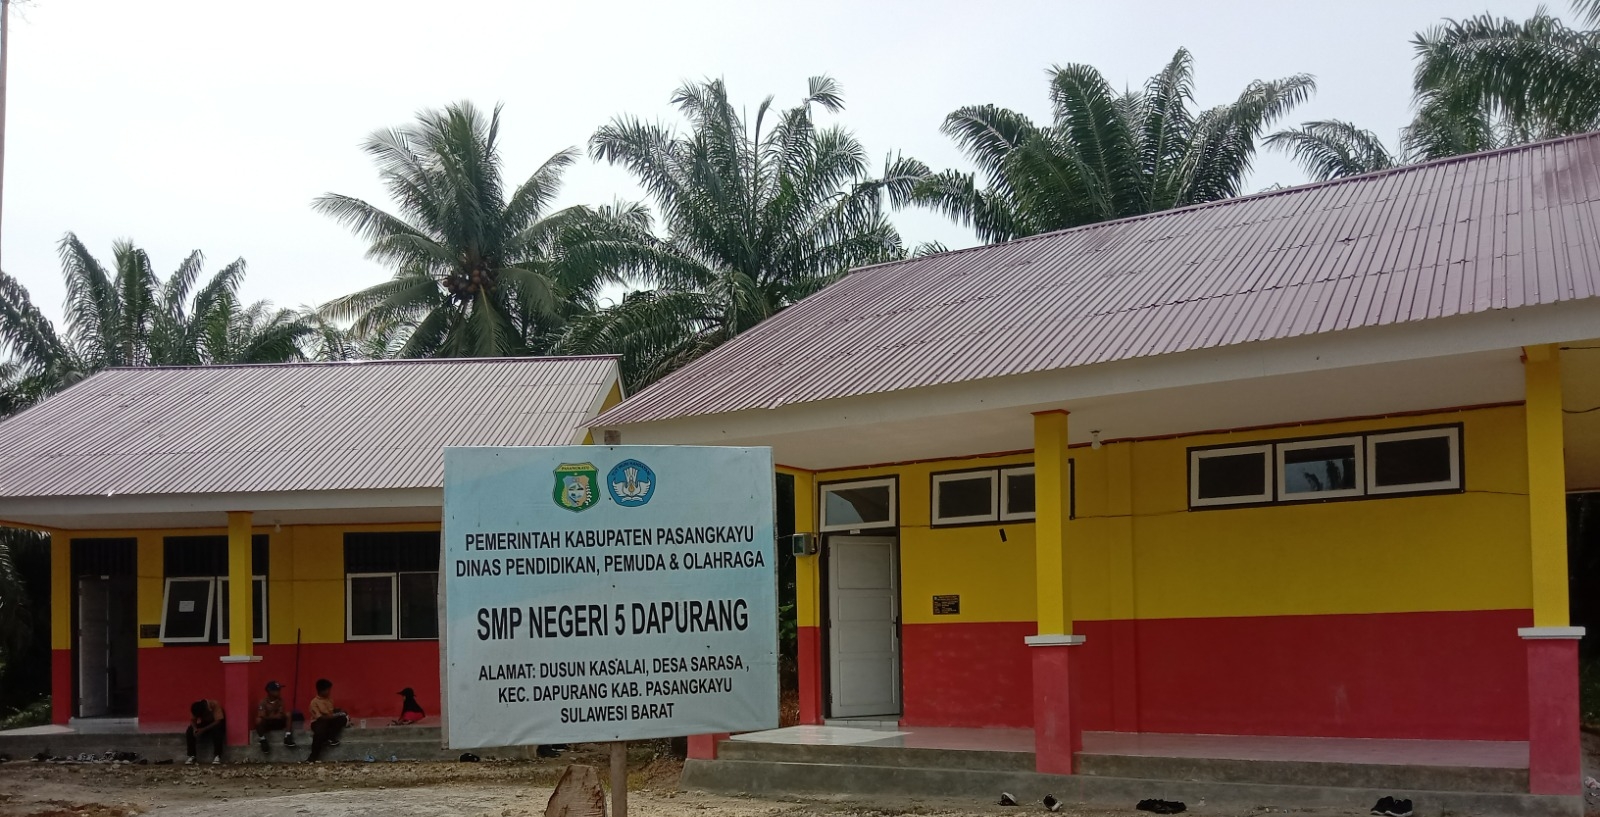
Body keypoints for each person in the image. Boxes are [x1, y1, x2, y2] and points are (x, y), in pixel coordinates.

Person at [306, 678, 347, 762]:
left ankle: (330, 737)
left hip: (329, 720)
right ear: (321, 691)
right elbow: (320, 717)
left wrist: (339, 711)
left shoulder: (329, 699)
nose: (329, 692)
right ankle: (313, 756)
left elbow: (330, 711)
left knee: (342, 719)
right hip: (318, 722)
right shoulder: (314, 702)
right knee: (319, 732)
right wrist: (335, 715)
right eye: (327, 690)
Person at [255, 680, 295, 753]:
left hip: (277, 723)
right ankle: (263, 740)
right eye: (277, 690)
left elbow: (280, 714)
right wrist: (272, 716)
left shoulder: (280, 700)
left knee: (288, 714)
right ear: (270, 691)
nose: (279, 692)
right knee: (258, 720)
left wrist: (270, 716)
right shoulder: (263, 702)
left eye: (279, 690)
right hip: (267, 724)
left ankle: (288, 737)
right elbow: (262, 716)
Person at [184, 699, 225, 765]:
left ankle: (217, 755)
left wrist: (203, 729)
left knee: (218, 730)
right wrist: (195, 729)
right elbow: (193, 720)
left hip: (215, 724)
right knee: (189, 730)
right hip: (205, 724)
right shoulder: (196, 708)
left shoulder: (214, 704)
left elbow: (218, 721)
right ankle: (192, 755)